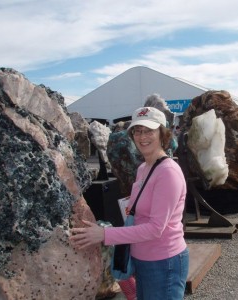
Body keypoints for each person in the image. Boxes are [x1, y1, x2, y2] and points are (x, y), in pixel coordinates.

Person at [70, 106, 189, 300]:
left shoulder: (168, 173)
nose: (142, 137)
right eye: (138, 130)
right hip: (143, 259)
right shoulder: (143, 168)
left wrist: (104, 234)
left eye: (149, 130)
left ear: (163, 133)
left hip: (163, 262)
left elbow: (155, 229)